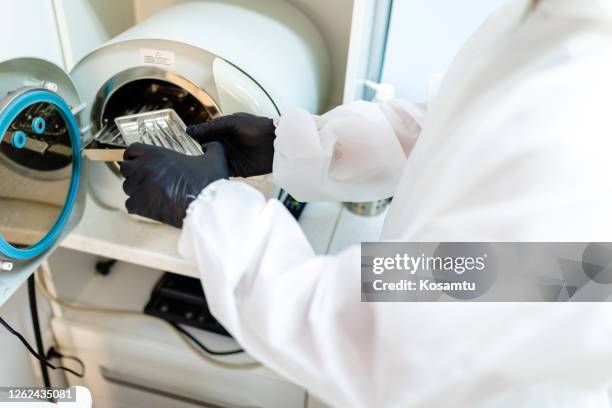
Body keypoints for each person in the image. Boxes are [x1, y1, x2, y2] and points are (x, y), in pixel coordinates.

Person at [119, 0, 612, 406]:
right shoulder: (554, 19)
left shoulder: (587, 114)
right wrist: (293, 146)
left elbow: (393, 336)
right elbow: (454, 126)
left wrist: (208, 206)